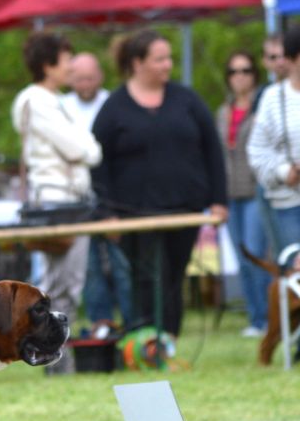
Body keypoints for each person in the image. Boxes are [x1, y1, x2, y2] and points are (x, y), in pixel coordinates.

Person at [91, 29, 228, 342]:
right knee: (146, 277)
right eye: (160, 59)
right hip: (134, 213)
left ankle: (169, 340)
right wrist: (106, 213)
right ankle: (145, 339)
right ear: (137, 63)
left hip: (185, 208)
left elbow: (212, 150)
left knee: (173, 276)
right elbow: (98, 163)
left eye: (169, 58)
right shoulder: (114, 107)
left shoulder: (188, 100)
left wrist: (219, 200)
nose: (167, 65)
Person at [11, 33, 102, 372]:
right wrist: (88, 148)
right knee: (62, 285)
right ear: (49, 65)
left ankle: (53, 356)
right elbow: (84, 150)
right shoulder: (38, 101)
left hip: (65, 199)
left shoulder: (50, 100)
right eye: (66, 61)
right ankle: (53, 359)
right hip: (58, 200)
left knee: (62, 283)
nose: (71, 68)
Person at [62, 53, 133, 334]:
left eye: (90, 78)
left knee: (121, 263)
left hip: (112, 195)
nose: (85, 84)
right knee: (88, 266)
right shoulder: (61, 107)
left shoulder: (113, 103)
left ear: (100, 76)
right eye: (79, 78)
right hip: (77, 197)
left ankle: (131, 322)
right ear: (70, 79)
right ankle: (99, 323)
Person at [215, 51, 270, 338]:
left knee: (255, 254)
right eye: (234, 71)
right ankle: (256, 318)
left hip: (255, 191)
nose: (240, 76)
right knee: (241, 257)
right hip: (230, 195)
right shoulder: (223, 112)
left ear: (254, 75)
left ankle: (269, 319)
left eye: (246, 70)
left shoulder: (264, 107)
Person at [247, 24, 300, 255]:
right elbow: (257, 152)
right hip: (288, 203)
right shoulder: (271, 98)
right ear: (293, 58)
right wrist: (284, 172)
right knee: (294, 277)